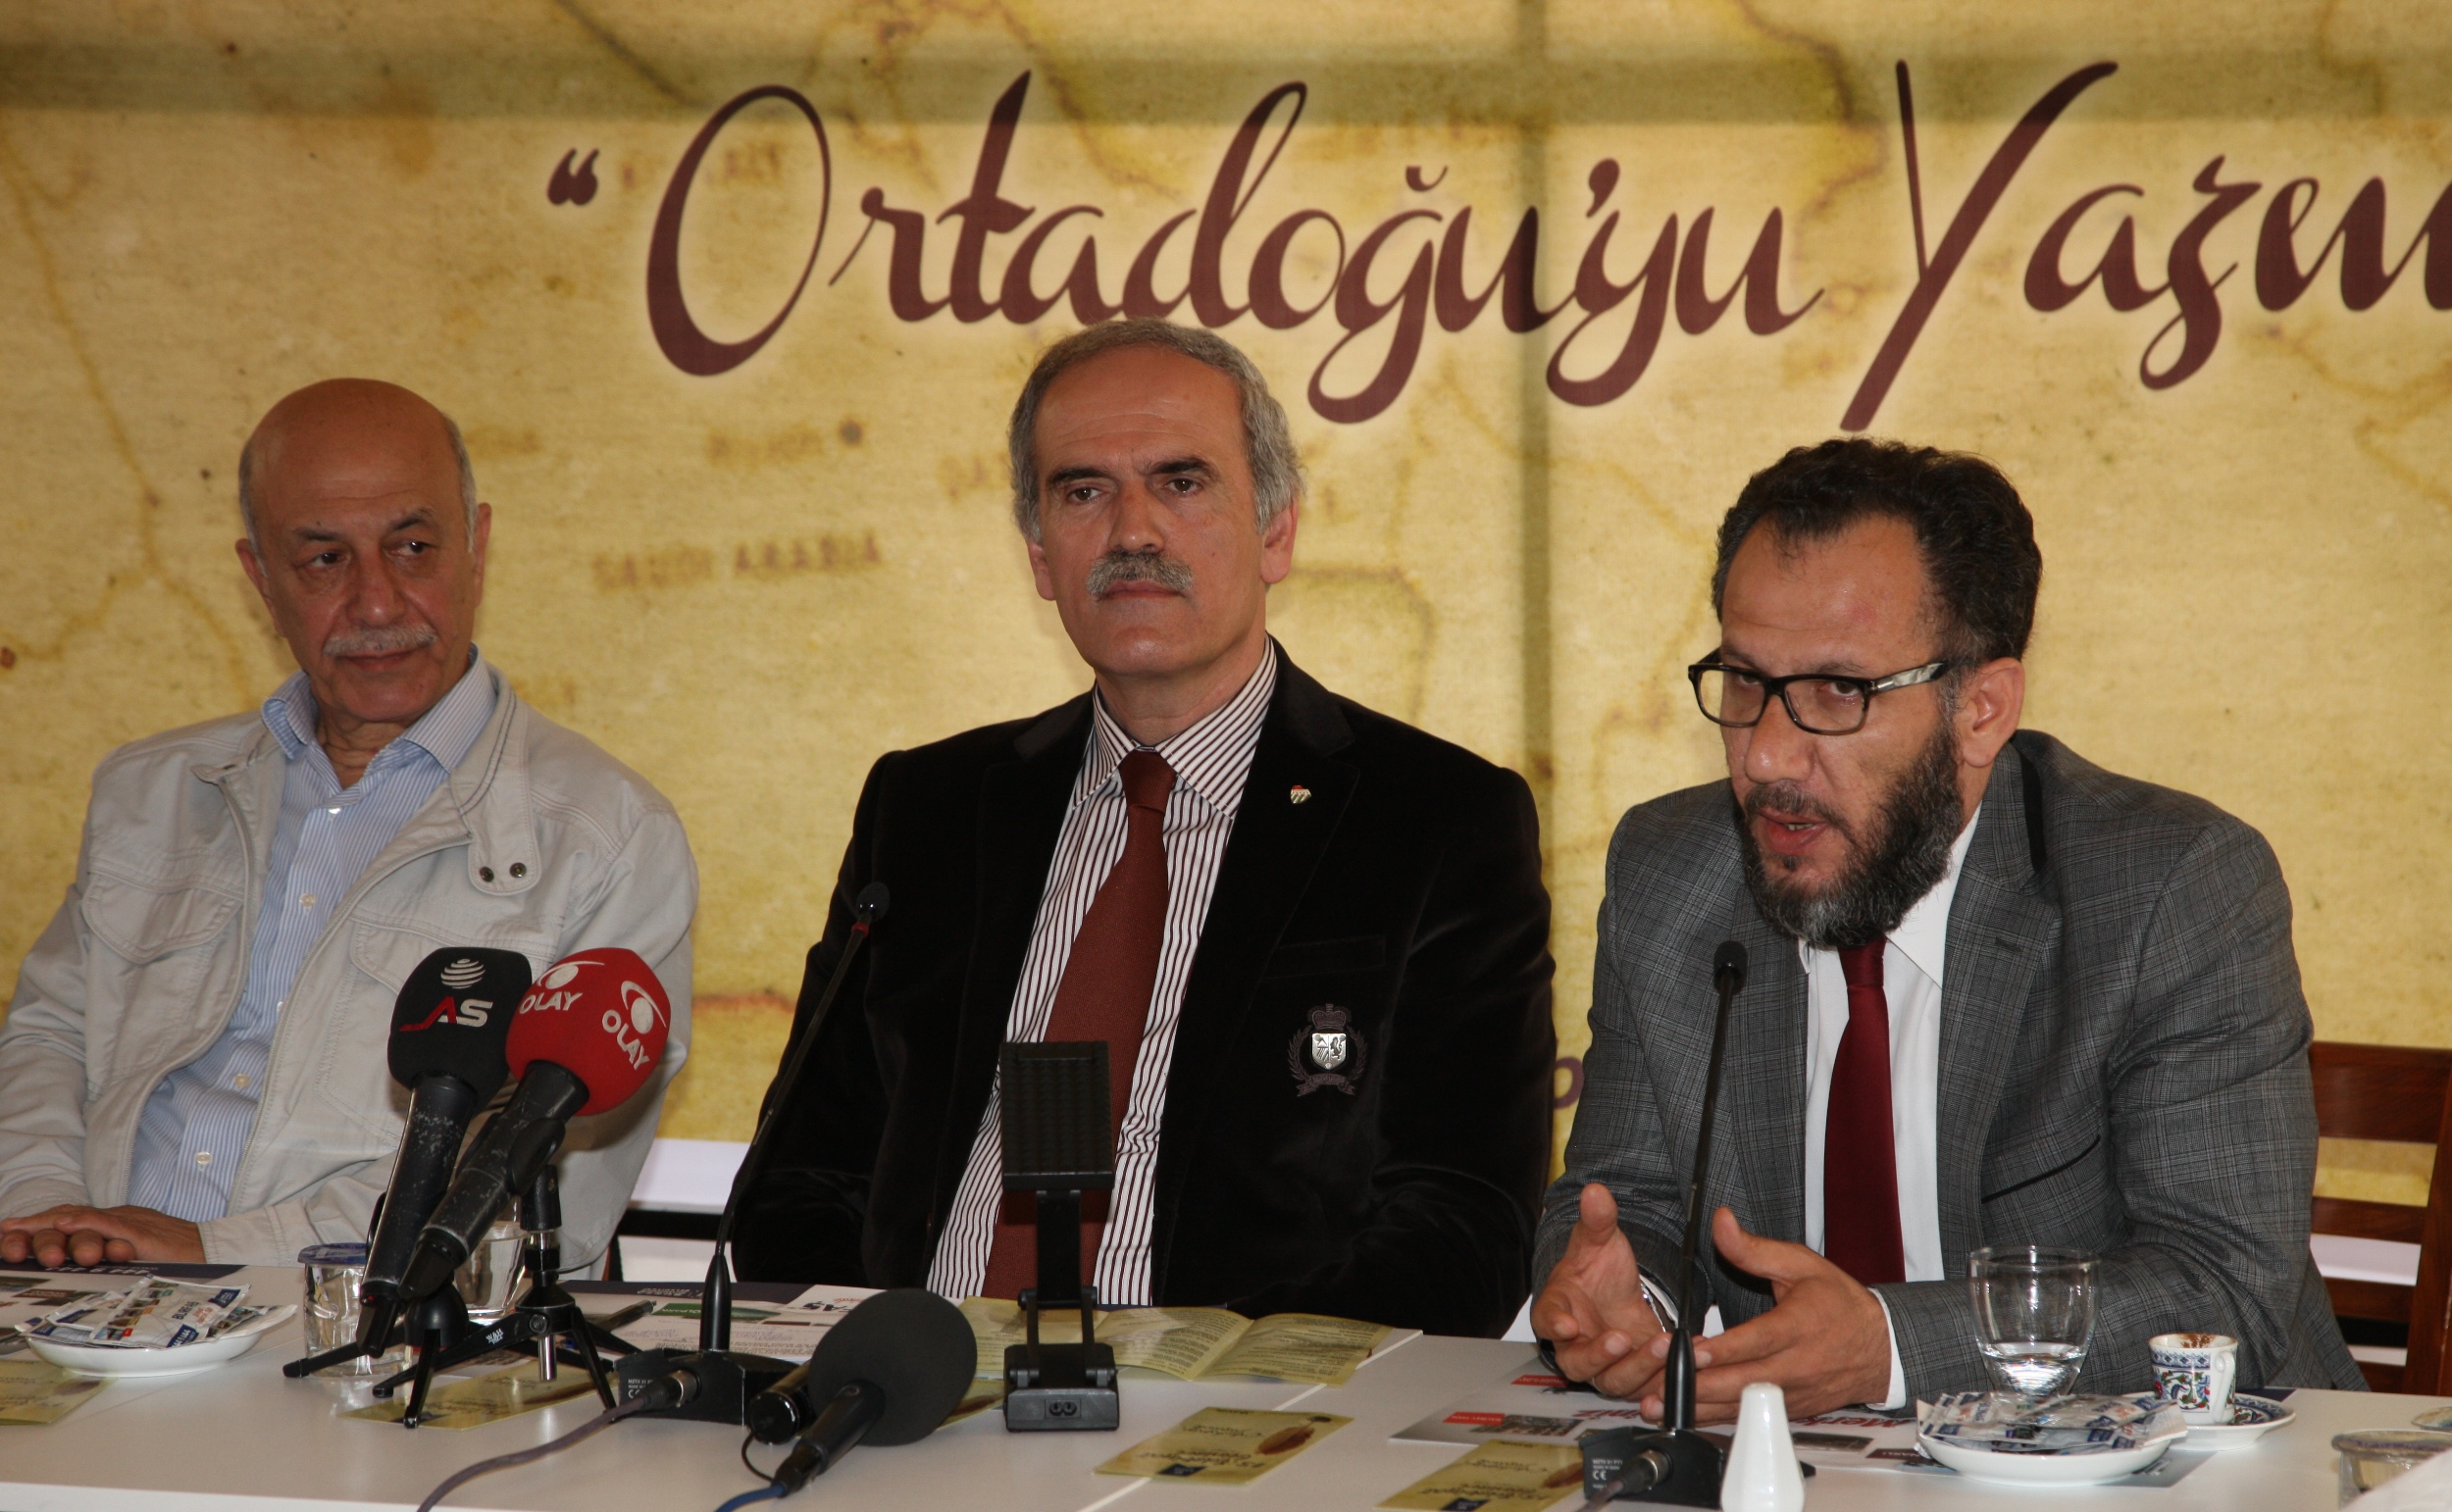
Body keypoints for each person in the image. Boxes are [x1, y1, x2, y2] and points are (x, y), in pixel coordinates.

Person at [736, 320, 1555, 1336]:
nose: (1133, 532)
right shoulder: (928, 809)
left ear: (1276, 531)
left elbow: (1463, 1226)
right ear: (1040, 553)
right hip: (919, 1380)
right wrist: (877, 1355)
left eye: (1181, 482)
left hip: (1235, 1404)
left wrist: (1209, 1378)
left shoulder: (1433, 820)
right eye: (1083, 491)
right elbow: (797, 1179)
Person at [1532, 438, 2360, 1418]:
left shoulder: (2169, 887)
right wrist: (1630, 1303)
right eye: (1746, 681)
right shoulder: (1673, 871)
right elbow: (1623, 1202)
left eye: (1838, 692)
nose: (1765, 756)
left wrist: (1889, 1350)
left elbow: (2221, 1286)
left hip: (2179, 1461)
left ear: (1982, 709)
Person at [0, 379, 693, 1270]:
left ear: (477, 547)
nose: (376, 604)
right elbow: (49, 1037)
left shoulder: (607, 837)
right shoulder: (154, 789)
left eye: (413, 548)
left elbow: (536, 1178)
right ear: (260, 578)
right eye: (325, 559)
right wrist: (47, 1221)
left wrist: (215, 1249)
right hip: (73, 1299)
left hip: (354, 1328)